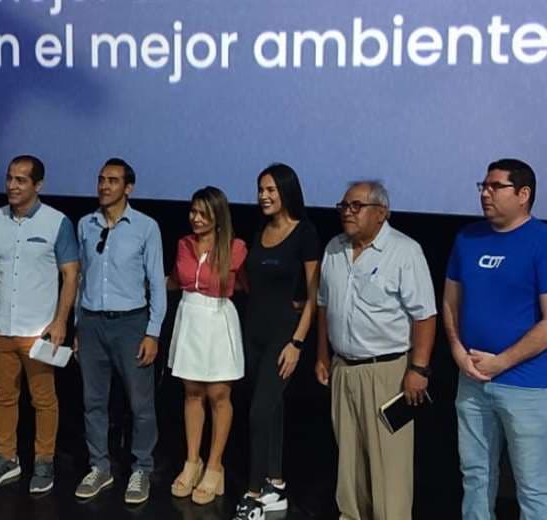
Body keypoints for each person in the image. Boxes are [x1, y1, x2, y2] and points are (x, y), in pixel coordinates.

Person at [316, 181, 436, 520]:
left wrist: (419, 369)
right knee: (349, 463)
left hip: (389, 374)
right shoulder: (334, 249)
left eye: (357, 206)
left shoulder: (404, 251)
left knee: (390, 467)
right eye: (344, 206)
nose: (347, 213)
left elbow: (424, 316)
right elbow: (324, 306)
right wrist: (322, 355)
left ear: (381, 213)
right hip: (343, 369)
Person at [443, 159, 547, 520]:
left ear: (523, 194)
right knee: (475, 477)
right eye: (482, 186)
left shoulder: (542, 241)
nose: (485, 193)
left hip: (527, 386)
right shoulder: (467, 238)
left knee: (532, 486)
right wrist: (457, 350)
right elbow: (450, 301)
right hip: (471, 381)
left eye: (495, 186)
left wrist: (502, 361)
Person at [0, 155, 79, 493]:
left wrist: (61, 320)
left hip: (38, 331)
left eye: (20, 180)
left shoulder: (56, 222)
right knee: (3, 397)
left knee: (44, 400)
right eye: (9, 179)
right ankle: (7, 459)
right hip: (0, 326)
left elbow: (71, 273)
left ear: (37, 185)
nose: (12, 186)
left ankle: (44, 462)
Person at [73, 157, 166, 505]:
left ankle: (141, 467)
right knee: (92, 401)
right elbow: (80, 278)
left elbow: (156, 283)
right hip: (92, 321)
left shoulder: (146, 227)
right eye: (100, 180)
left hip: (131, 324)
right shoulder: (85, 224)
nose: (104, 186)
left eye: (112, 181)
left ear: (128, 187)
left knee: (140, 403)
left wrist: (152, 333)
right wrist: (77, 327)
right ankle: (100, 466)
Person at [233, 164, 320, 520]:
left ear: (287, 192)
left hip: (284, 335)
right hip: (253, 331)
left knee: (258, 412)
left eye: (270, 189)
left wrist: (297, 343)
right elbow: (252, 283)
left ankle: (253, 495)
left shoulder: (305, 232)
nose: (263, 196)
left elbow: (315, 295)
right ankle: (276, 484)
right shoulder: (259, 230)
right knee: (270, 410)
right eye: (260, 189)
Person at [167, 186, 246, 505]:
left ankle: (215, 466)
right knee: (192, 392)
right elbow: (175, 279)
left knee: (219, 394)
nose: (195, 218)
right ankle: (192, 461)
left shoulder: (235, 247)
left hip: (218, 318)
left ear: (217, 216)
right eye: (193, 212)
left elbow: (244, 284)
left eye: (203, 213)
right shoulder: (184, 244)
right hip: (189, 317)